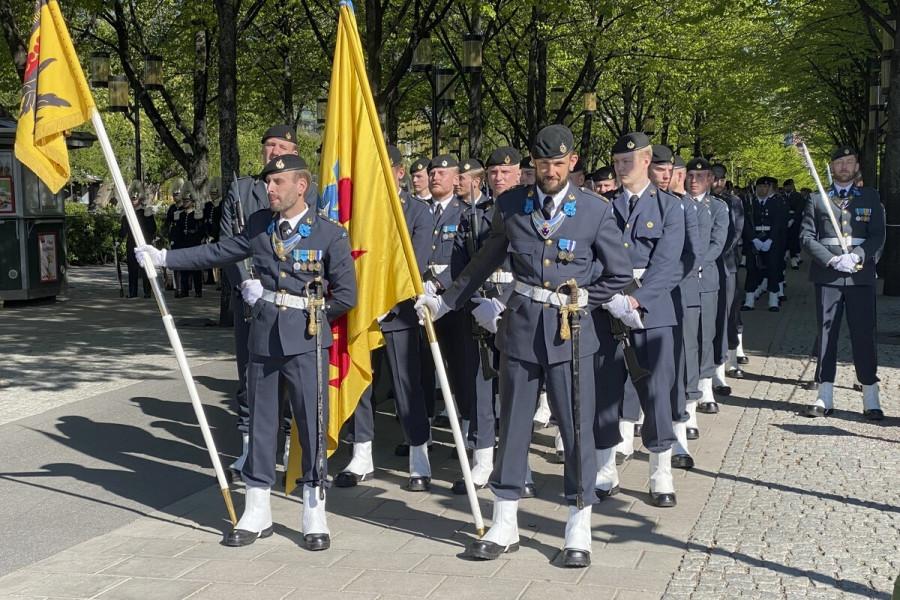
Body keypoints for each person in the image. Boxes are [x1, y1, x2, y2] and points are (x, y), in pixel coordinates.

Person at [417, 125, 632, 567]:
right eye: (542, 163)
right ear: (531, 165)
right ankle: (505, 521)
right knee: (512, 425)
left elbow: (620, 271)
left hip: (571, 333)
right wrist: (446, 302)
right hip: (520, 328)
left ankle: (578, 525)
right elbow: (486, 259)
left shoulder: (593, 209)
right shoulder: (512, 204)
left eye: (558, 163)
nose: (550, 171)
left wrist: (587, 294)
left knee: (574, 429)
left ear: (572, 162)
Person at [136, 154, 357, 549]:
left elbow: (347, 296)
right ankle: (257, 508)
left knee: (310, 424)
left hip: (307, 340)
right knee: (261, 424)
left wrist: (307, 311)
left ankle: (313, 508)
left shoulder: (329, 234)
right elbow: (219, 252)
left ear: (300, 186)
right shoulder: (258, 226)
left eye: (277, 182)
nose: (268, 189)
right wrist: (166, 258)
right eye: (267, 182)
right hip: (264, 339)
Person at [336, 145, 433, 490]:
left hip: (398, 310)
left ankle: (418, 455)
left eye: (384, 169)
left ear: (399, 172)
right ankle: (362, 453)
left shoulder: (418, 212)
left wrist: (386, 299)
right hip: (360, 309)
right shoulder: (358, 211)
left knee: (407, 385)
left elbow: (414, 265)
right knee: (362, 382)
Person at [597, 133, 685, 507]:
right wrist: (609, 297)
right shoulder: (601, 207)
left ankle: (660, 471)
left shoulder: (669, 208)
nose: (620, 167)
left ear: (647, 161)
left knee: (656, 394)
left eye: (627, 161)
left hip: (652, 311)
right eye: (616, 161)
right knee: (606, 391)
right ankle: (605, 467)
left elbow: (670, 264)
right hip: (607, 308)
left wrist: (635, 298)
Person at [219, 124, 300, 480]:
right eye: (270, 145)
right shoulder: (242, 190)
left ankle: (287, 448)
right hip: (250, 303)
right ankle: (250, 450)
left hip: (290, 304)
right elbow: (228, 242)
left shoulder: (300, 191)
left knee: (292, 379)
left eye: (282, 146)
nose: (274, 151)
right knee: (250, 377)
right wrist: (246, 284)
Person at [799, 146, 884, 420]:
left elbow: (877, 236)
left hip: (860, 276)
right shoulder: (817, 199)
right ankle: (824, 395)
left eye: (849, 162)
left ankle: (871, 396)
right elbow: (807, 237)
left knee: (864, 335)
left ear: (857, 165)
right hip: (829, 276)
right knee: (827, 337)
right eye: (840, 162)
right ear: (832, 167)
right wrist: (834, 261)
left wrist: (857, 256)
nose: (845, 166)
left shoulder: (870, 197)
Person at [741, 177, 789, 312]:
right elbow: (745, 223)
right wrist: (754, 239)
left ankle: (773, 299)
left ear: (769, 188)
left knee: (773, 268)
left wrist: (770, 240)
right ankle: (749, 299)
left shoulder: (776, 203)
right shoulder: (750, 203)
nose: (762, 189)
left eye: (765, 187)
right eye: (759, 187)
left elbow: (778, 223)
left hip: (770, 240)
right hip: (754, 240)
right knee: (752, 269)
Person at [119, 180, 157, 298]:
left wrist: (148, 216)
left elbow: (152, 229)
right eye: (132, 199)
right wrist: (119, 240)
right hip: (131, 244)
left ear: (139, 199)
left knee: (146, 268)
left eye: (135, 198)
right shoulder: (127, 213)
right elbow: (123, 229)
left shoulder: (146, 212)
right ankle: (132, 291)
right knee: (132, 269)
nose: (133, 200)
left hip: (144, 243)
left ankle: (147, 291)